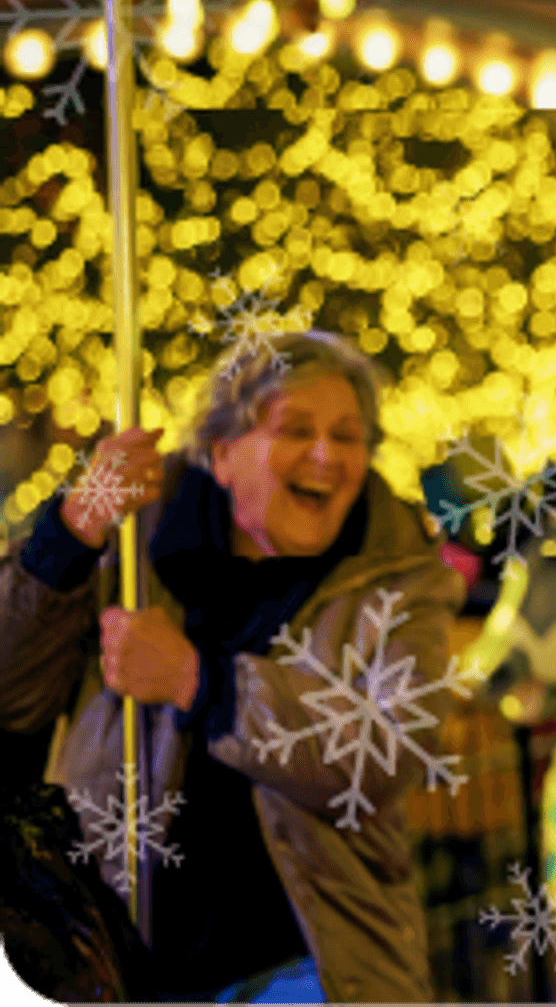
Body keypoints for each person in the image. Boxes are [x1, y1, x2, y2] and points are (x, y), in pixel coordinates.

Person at [0, 332, 465, 1003]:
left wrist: (199, 680)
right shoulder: (133, 547)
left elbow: (382, 755)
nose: (327, 455)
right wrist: (76, 526)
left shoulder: (397, 580)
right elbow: (12, 689)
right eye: (295, 429)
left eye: (350, 436)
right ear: (222, 453)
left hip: (306, 969)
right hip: (120, 956)